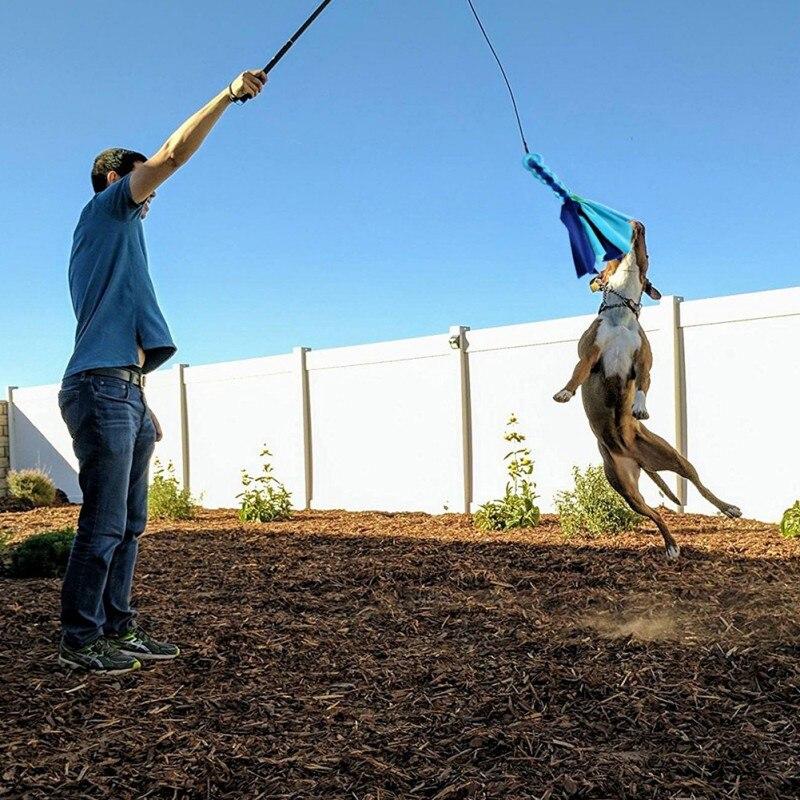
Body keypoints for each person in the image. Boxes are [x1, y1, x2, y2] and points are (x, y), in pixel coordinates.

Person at [57, 69, 268, 674]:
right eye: (142, 178)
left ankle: (116, 628)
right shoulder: (104, 211)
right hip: (100, 388)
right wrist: (228, 95)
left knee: (129, 524)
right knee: (102, 523)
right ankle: (79, 639)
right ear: (114, 179)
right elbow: (174, 153)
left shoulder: (123, 234)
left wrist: (139, 398)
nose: (154, 190)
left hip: (122, 387)